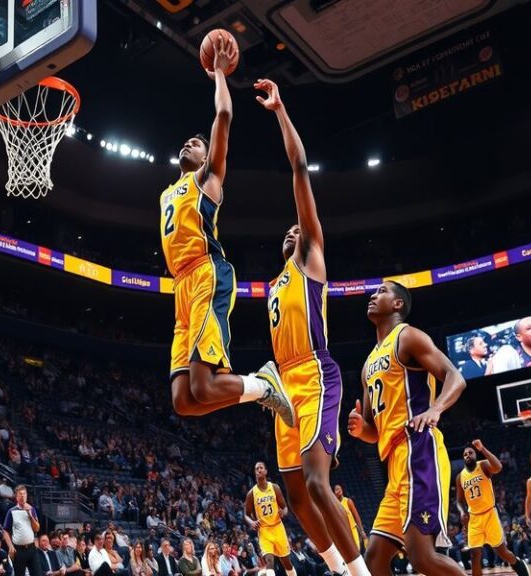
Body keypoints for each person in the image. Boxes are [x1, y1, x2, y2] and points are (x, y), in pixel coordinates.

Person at [254, 77, 367, 576]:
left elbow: (299, 169)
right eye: (289, 229)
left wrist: (280, 111)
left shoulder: (309, 259)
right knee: (296, 496)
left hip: (317, 377)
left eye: (300, 228)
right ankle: (337, 570)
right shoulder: (273, 282)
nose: (293, 229)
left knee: (320, 485)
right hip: (284, 382)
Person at [160, 32, 293, 426]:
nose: (190, 144)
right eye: (187, 143)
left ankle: (264, 385)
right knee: (184, 401)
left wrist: (219, 73)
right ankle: (258, 388)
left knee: (203, 386)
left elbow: (223, 117)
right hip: (180, 289)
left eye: (197, 144)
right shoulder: (167, 192)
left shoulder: (209, 178)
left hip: (206, 274)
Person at [347, 281, 467, 576]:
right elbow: (374, 429)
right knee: (375, 557)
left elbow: (455, 377)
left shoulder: (408, 336)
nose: (373, 296)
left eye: (382, 292)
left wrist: (436, 408)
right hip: (394, 461)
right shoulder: (368, 364)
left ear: (398, 304)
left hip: (419, 450)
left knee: (421, 556)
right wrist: (362, 430)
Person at [455, 439, 529, 576]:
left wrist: (482, 448)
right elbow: (459, 501)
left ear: (475, 455)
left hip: (490, 514)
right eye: (465, 454)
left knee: (502, 552)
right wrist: (461, 511)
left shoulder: (482, 465)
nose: (468, 456)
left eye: (470, 453)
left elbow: (498, 467)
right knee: (475, 555)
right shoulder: (460, 477)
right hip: (474, 519)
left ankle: (518, 564)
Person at [244, 462, 294, 576]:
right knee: (269, 561)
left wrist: (283, 512)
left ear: (266, 471)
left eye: (261, 468)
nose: (259, 470)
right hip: (264, 530)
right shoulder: (251, 493)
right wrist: (251, 522)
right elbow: (246, 514)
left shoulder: (274, 487)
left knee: (286, 562)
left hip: (278, 527)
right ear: (255, 473)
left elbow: (285, 507)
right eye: (256, 469)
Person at [3, 485, 41, 576]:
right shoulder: (11, 511)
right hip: (19, 550)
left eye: (24, 493)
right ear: (16, 497)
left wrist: (30, 515)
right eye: (20, 494)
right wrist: (10, 546)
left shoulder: (32, 509)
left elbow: (37, 528)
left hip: (31, 548)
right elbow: (5, 531)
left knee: (37, 573)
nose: (23, 496)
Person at [333, 485, 367, 553]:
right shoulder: (334, 505)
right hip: (343, 532)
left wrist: (362, 531)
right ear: (333, 493)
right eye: (336, 489)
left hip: (353, 529)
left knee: (357, 550)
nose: (339, 490)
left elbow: (356, 516)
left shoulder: (348, 501)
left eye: (339, 488)